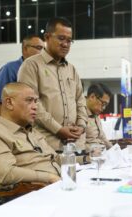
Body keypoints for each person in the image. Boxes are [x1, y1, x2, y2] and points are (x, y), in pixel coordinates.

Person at [18, 17, 87, 152]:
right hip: (46, 146)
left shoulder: (71, 69)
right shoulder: (31, 66)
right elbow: (32, 105)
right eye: (61, 38)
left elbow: (80, 100)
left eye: (69, 40)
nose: (65, 44)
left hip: (75, 146)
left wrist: (81, 126)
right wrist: (59, 130)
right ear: (47, 37)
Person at [0, 83, 60, 191]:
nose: (35, 107)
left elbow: (56, 158)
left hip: (55, 186)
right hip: (29, 197)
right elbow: (5, 174)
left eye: (35, 101)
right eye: (29, 100)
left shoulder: (31, 132)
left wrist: (86, 159)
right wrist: (49, 178)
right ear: (9, 103)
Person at [0, 35, 44, 115]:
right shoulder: (9, 69)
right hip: (16, 125)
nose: (42, 52)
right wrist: (8, 126)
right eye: (38, 48)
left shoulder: (43, 71)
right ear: (25, 49)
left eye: (44, 49)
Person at [85, 83, 112, 151]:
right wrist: (94, 149)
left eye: (106, 105)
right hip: (88, 157)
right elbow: (76, 144)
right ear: (92, 97)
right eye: (103, 103)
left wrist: (113, 149)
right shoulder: (79, 114)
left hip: (99, 153)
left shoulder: (95, 113)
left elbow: (102, 136)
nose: (104, 108)